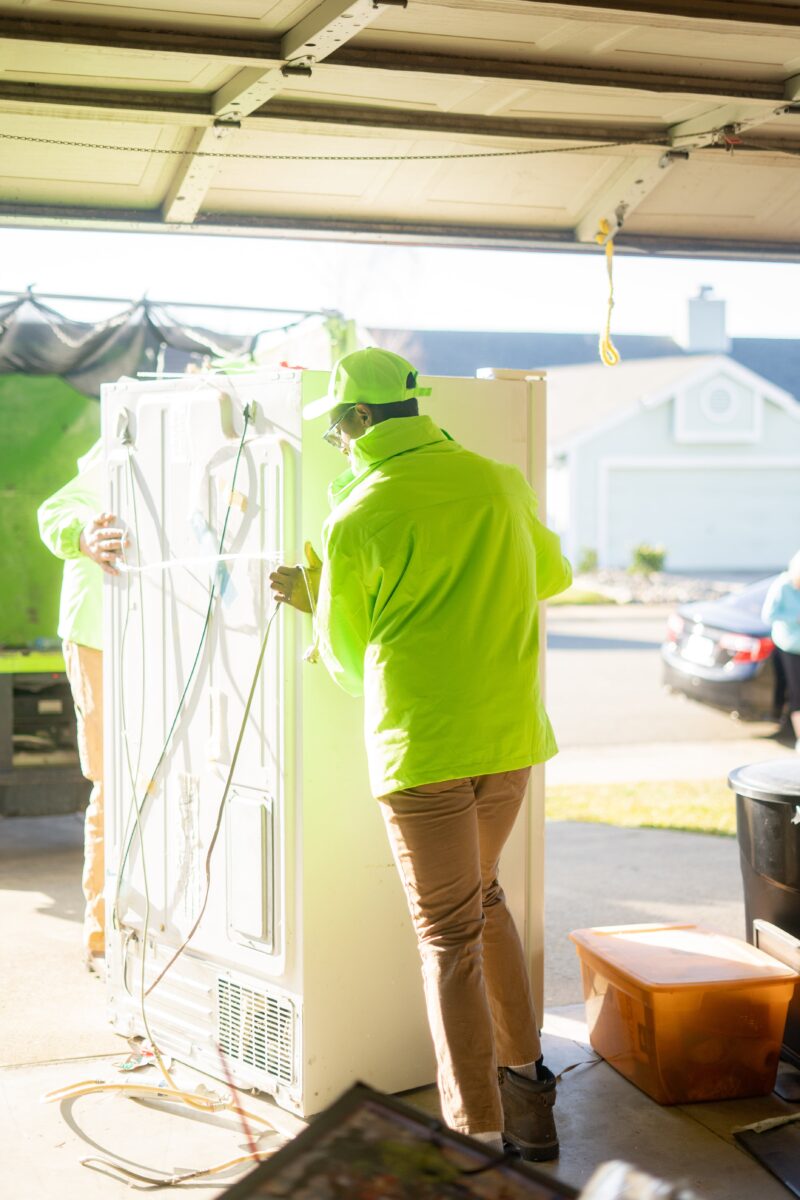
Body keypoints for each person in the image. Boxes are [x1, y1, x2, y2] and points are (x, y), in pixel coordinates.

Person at [269, 348, 572, 1159]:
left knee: (448, 937)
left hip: (425, 750)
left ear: (361, 420)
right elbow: (554, 572)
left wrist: (314, 597)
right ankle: (530, 1103)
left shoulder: (358, 513)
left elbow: (344, 658)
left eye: (335, 425)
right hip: (508, 741)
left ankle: (475, 1138)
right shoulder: (498, 480)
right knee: (486, 902)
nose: (334, 439)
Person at [38, 441, 126, 972]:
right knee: (110, 784)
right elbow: (54, 511)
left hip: (140, 638)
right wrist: (83, 536)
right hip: (95, 636)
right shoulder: (115, 458)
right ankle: (101, 936)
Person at [762, 551, 800, 753]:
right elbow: (768, 615)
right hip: (789, 647)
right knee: (796, 694)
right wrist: (795, 617)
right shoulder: (782, 586)